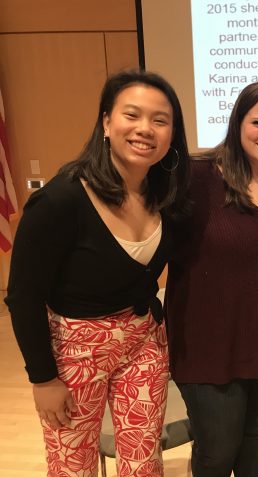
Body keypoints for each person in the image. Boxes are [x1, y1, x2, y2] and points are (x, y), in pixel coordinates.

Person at [6, 70, 191, 476]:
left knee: (144, 464)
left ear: (172, 135)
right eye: (132, 115)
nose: (145, 129)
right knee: (73, 466)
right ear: (106, 122)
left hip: (144, 343)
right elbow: (22, 296)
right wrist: (43, 379)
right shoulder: (60, 200)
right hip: (75, 353)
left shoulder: (167, 195)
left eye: (160, 120)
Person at [164, 82, 258, 477]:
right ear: (237, 123)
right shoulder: (197, 179)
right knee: (218, 451)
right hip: (209, 345)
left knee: (256, 435)